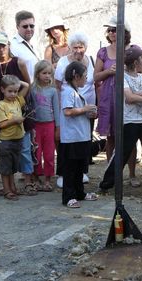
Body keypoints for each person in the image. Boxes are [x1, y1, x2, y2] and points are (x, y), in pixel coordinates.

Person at [98, 46, 142, 192]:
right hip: (130, 122)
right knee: (121, 154)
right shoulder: (122, 76)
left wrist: (138, 93)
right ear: (136, 62)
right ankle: (106, 183)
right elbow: (129, 98)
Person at [93, 16, 139, 186]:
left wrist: (129, 69)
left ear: (124, 32)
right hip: (108, 97)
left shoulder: (133, 50)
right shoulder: (103, 52)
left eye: (115, 29)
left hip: (128, 97)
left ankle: (132, 174)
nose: (112, 33)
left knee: (130, 136)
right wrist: (108, 72)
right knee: (111, 137)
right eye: (110, 30)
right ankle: (111, 174)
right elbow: (95, 76)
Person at [55, 31, 96, 187]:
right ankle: (63, 174)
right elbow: (58, 85)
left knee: (84, 140)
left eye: (81, 47)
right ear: (70, 47)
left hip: (87, 108)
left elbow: (93, 83)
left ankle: (82, 172)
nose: (78, 50)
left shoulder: (90, 60)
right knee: (68, 142)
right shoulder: (63, 62)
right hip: (70, 105)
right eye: (75, 47)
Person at [9, 10, 40, 195]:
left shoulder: (30, 44)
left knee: (30, 137)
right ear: (17, 27)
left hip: (34, 94)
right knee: (23, 137)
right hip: (22, 96)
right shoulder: (13, 46)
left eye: (31, 25)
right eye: (25, 26)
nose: (29, 29)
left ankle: (30, 173)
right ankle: (25, 176)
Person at [59, 61, 98, 208]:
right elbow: (67, 111)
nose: (86, 79)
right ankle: (68, 196)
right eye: (85, 76)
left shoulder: (77, 92)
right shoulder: (68, 91)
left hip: (82, 136)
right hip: (72, 137)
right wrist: (85, 109)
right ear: (76, 76)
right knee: (70, 168)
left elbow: (78, 111)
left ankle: (79, 192)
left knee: (80, 167)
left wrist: (89, 113)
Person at [0, 75, 30, 201]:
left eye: (15, 91)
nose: (13, 94)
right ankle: (6, 190)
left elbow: (26, 85)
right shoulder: (2, 105)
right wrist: (14, 120)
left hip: (18, 139)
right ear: (2, 89)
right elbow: (0, 124)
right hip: (6, 141)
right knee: (6, 168)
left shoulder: (18, 101)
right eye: (10, 91)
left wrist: (16, 81)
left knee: (13, 166)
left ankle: (13, 187)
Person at [29, 60, 59, 191]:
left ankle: (48, 179)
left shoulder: (53, 91)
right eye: (44, 73)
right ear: (37, 74)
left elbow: (57, 110)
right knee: (36, 152)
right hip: (36, 126)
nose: (47, 76)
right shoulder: (32, 89)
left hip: (49, 125)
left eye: (49, 73)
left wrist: (58, 127)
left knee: (48, 154)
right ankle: (36, 177)